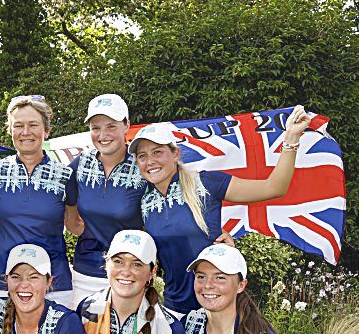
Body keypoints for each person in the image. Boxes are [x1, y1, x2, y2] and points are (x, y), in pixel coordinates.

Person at [131, 106, 312, 318]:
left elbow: (274, 187)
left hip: (216, 307)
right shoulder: (142, 201)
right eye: (142, 156)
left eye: (157, 152)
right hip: (173, 309)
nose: (150, 161)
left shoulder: (206, 182)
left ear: (175, 154)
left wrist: (291, 138)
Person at [0, 95, 76, 306]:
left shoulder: (65, 175)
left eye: (33, 125)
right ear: (10, 131)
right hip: (3, 279)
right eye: (18, 125)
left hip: (54, 282)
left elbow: (77, 226)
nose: (26, 132)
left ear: (46, 131)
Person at [67, 94, 148, 307]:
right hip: (85, 273)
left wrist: (214, 232)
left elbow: (172, 207)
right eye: (96, 127)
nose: (102, 135)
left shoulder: (143, 167)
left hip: (128, 276)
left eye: (111, 126)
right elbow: (63, 206)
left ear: (126, 125)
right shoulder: (81, 164)